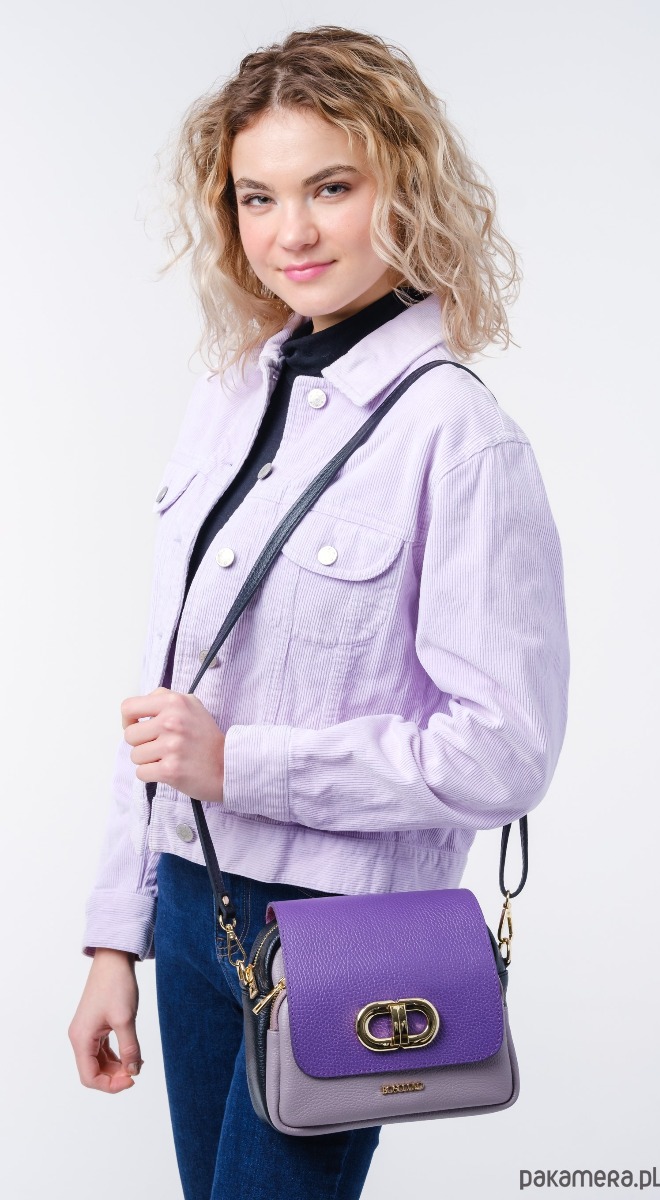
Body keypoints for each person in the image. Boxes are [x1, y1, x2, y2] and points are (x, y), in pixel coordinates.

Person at [68, 23, 570, 1200]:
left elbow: (504, 752)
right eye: (258, 197)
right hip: (189, 899)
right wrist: (113, 939)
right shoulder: (228, 400)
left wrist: (242, 762)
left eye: (330, 188)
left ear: (406, 189)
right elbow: (165, 696)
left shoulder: (458, 436)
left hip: (345, 930)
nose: (289, 232)